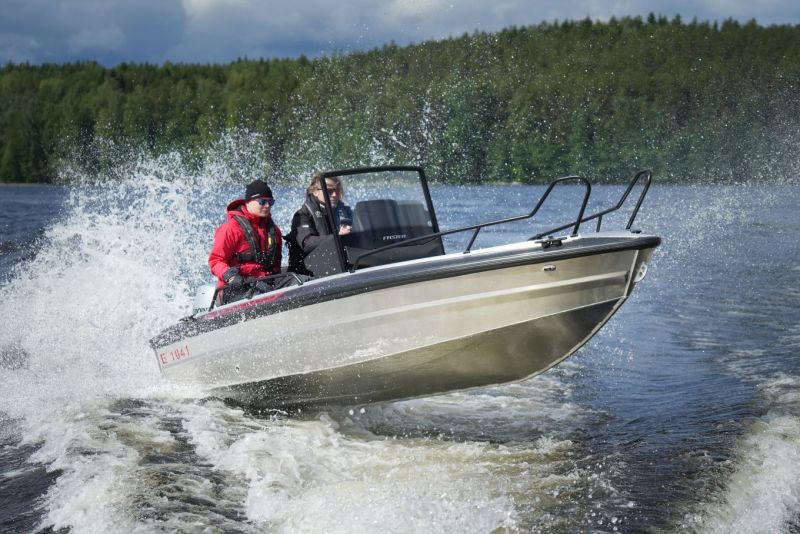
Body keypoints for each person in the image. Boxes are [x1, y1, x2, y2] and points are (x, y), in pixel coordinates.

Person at [208, 179, 283, 302]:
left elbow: (276, 264)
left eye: (271, 202)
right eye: (262, 202)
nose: (267, 206)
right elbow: (215, 261)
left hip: (265, 282)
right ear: (248, 202)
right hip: (237, 286)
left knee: (304, 282)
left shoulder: (274, 230)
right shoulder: (230, 229)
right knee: (262, 292)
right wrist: (230, 276)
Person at [286, 173, 353, 275]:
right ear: (315, 191)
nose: (335, 195)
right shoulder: (303, 215)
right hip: (308, 274)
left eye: (338, 190)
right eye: (329, 191)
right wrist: (337, 236)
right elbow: (307, 243)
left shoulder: (345, 211)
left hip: (339, 267)